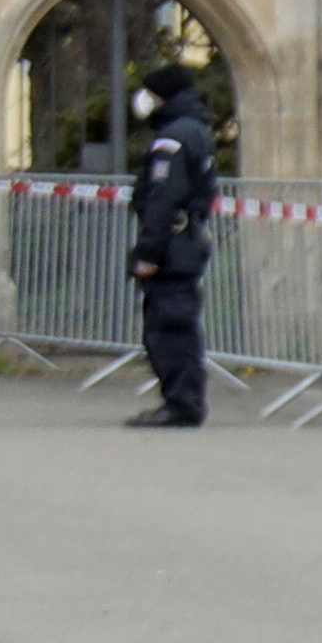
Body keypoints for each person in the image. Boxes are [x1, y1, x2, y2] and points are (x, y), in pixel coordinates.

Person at [123, 61, 219, 431]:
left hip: (173, 245)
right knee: (177, 323)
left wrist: (149, 252)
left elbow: (163, 199)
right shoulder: (193, 130)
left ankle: (182, 403)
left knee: (170, 327)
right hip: (186, 241)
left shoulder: (173, 138)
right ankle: (182, 400)